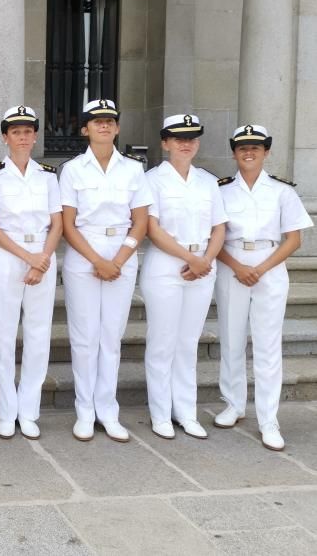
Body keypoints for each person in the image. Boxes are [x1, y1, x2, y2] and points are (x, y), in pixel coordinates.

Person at [213, 124, 313, 451]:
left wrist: (259, 268)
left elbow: (294, 239)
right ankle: (234, 403)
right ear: (234, 152)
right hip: (232, 266)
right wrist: (240, 267)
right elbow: (215, 237)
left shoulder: (282, 191)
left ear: (266, 151)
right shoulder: (222, 190)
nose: (249, 152)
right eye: (243, 147)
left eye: (256, 147)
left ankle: (269, 418)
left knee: (268, 345)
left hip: (269, 267)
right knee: (231, 338)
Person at [59, 98, 151, 443]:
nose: (104, 125)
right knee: (84, 338)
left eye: (110, 120)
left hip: (122, 253)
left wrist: (120, 258)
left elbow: (140, 220)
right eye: (96, 121)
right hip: (85, 253)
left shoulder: (133, 169)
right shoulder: (72, 170)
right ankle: (85, 410)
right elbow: (68, 224)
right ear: (85, 129)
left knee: (111, 337)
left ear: (117, 127)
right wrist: (97, 260)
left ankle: (107, 410)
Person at [140, 114, 226, 440]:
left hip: (203, 265)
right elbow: (152, 228)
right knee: (162, 343)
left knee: (188, 343)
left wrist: (205, 259)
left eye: (191, 138)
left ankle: (186, 411)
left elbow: (219, 227)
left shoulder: (208, 180)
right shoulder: (153, 179)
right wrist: (192, 258)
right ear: (165, 143)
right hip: (166, 266)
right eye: (178, 138)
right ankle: (161, 413)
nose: (185, 143)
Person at [0, 106, 62, 440]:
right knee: (3, 334)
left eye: (28, 131)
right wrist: (28, 256)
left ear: (35, 135)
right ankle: (6, 410)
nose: (23, 137)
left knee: (39, 335)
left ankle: (29, 410)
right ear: (5, 136)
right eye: (16, 131)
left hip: (43, 254)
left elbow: (58, 223)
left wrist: (42, 258)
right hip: (8, 256)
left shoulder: (48, 175)